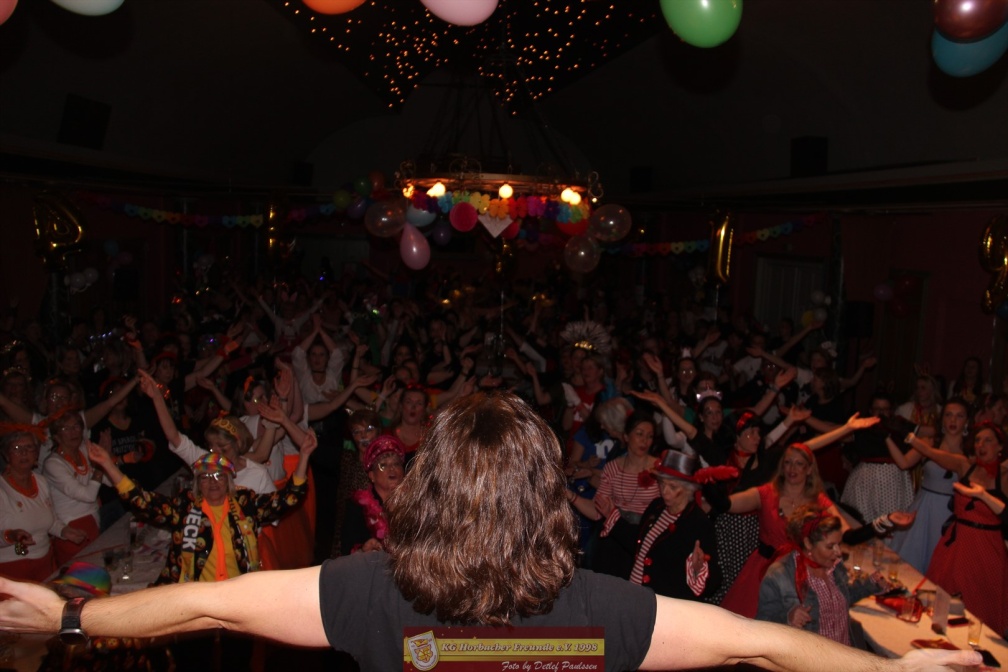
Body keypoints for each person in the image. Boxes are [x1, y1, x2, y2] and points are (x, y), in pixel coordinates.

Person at [0, 392, 982, 672]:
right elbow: (762, 645)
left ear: (429, 496)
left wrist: (71, 618)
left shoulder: (370, 592)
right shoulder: (605, 611)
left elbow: (208, 606)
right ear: (547, 501)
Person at [917, 421, 1007, 638]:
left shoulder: (1004, 476)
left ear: (1000, 447)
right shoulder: (966, 466)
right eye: (978, 440)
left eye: (988, 440)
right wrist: (910, 437)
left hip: (986, 548)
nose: (981, 445)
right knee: (943, 598)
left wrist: (984, 495)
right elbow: (932, 453)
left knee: (981, 605)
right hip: (957, 543)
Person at [756, 505, 891, 646]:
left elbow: (840, 598)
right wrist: (788, 618)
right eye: (830, 546)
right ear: (808, 543)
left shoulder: (834, 565)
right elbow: (762, 626)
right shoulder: (780, 576)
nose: (838, 552)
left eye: (839, 544)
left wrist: (870, 585)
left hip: (843, 653)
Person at [624, 449, 730, 601]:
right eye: (662, 484)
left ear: (689, 489)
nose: (665, 492)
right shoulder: (656, 507)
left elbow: (715, 581)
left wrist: (698, 569)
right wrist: (612, 517)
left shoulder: (698, 523)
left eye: (673, 487)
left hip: (664, 605)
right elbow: (639, 544)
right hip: (635, 596)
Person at [0, 429, 86, 581]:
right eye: (17, 448)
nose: (24, 453)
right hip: (11, 569)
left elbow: (51, 521)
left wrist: (64, 531)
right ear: (7, 455)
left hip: (45, 563)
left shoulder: (41, 481)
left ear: (37, 454)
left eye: (29, 447)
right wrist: (10, 536)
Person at [340, 434, 405, 555]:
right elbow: (346, 550)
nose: (392, 469)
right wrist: (363, 550)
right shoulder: (357, 507)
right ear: (372, 476)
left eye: (396, 464)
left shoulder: (414, 503)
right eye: (383, 465)